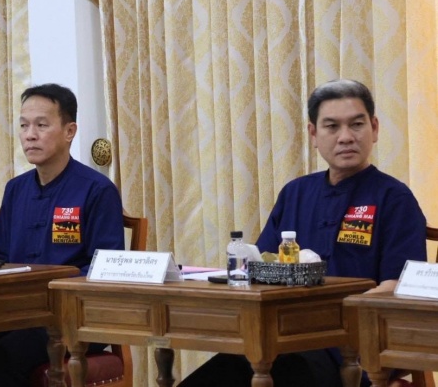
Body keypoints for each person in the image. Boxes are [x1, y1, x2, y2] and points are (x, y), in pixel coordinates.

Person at [179, 79, 427, 387]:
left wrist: (328, 314)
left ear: (374, 129)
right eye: (332, 126)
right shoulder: (295, 193)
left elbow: (399, 285)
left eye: (357, 124)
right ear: (313, 134)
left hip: (351, 350)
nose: (346, 137)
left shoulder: (394, 198)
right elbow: (260, 269)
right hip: (282, 339)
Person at [0, 83, 126, 387]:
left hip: (73, 317)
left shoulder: (97, 190)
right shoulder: (16, 189)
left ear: (69, 131)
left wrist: (47, 292)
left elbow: (105, 269)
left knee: (0, 362)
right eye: (24, 125)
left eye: (41, 125)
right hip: (17, 313)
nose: (30, 135)